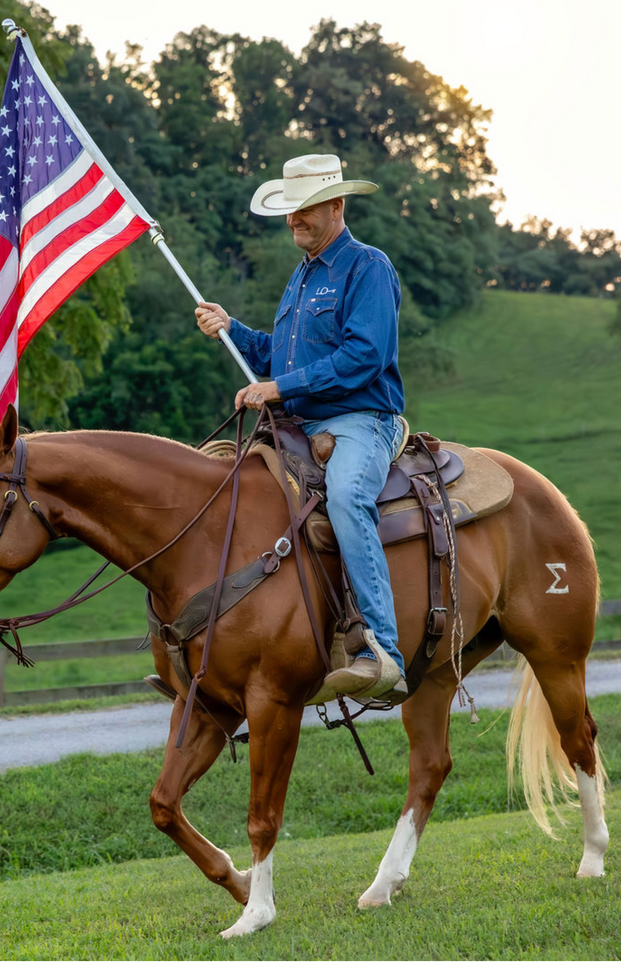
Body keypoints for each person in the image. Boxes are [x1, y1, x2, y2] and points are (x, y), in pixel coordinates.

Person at [195, 153, 407, 702]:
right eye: (290, 211)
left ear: (337, 206)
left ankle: (381, 651)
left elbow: (366, 355)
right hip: (297, 423)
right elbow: (278, 356)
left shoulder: (368, 267)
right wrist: (232, 330)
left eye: (306, 209)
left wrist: (279, 389)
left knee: (345, 498)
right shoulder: (301, 276)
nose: (294, 221)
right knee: (223, 487)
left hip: (362, 418)